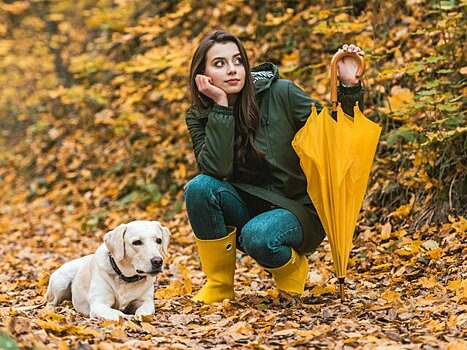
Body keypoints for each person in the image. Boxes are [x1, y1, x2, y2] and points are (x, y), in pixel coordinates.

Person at [184, 30, 365, 304]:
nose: (232, 70)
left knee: (258, 234)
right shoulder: (199, 115)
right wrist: (220, 106)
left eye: (237, 61)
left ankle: (292, 268)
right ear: (203, 74)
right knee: (198, 188)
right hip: (249, 205)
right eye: (219, 64)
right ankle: (220, 284)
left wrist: (348, 88)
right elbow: (216, 170)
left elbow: (335, 135)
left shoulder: (282, 93)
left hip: (298, 208)